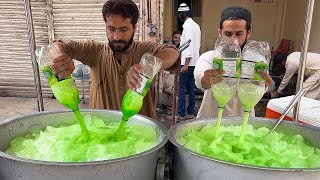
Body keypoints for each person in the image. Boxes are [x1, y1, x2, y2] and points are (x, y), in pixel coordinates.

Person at [49, 0, 179, 119]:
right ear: (106, 26)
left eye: (123, 30)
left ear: (134, 28)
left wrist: (148, 67)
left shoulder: (145, 49)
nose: (117, 37)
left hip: (141, 134)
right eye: (111, 29)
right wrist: (60, 57)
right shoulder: (94, 50)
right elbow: (58, 45)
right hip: (101, 133)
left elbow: (172, 53)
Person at [194, 6, 273, 118]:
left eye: (239, 34)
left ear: (248, 33)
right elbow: (200, 78)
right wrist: (205, 79)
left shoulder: (257, 62)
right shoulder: (209, 57)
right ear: (220, 33)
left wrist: (266, 85)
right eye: (228, 34)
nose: (233, 40)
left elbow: (260, 88)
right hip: (209, 124)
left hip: (242, 126)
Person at [177, 3, 201, 120]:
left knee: (182, 87)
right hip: (194, 62)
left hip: (188, 62)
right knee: (191, 87)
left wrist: (186, 63)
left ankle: (181, 113)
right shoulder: (196, 25)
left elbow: (189, 45)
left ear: (182, 15)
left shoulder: (188, 26)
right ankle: (190, 111)